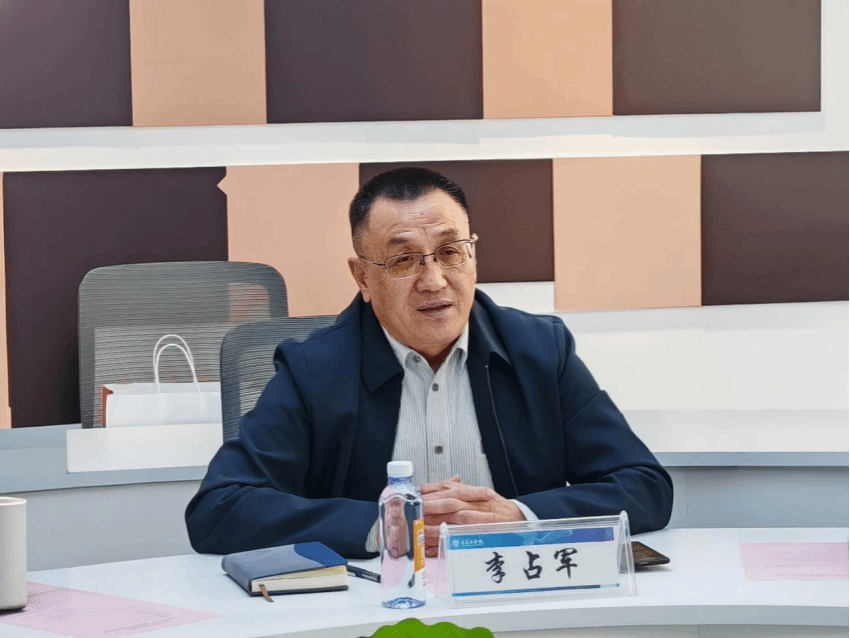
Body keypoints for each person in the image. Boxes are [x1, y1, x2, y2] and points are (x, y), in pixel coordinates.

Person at [185, 167, 673, 559]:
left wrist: (520, 516)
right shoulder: (315, 369)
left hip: (513, 590)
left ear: (473, 254)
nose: (434, 281)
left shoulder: (540, 351)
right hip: (377, 603)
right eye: (403, 260)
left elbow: (644, 487)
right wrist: (383, 526)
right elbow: (219, 509)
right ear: (362, 278)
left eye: (450, 252)